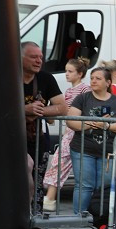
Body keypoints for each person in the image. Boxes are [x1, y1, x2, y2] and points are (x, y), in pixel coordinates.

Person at [66, 67, 116, 214]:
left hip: (108, 152)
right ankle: (80, 221)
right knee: (84, 186)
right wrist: (95, 123)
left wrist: (107, 125)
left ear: (108, 82)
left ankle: (99, 220)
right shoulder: (82, 98)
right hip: (83, 149)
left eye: (98, 78)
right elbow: (71, 121)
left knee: (104, 186)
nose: (93, 81)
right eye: (92, 78)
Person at [42, 57, 91, 212]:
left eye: (70, 71)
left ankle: (50, 198)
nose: (66, 74)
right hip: (70, 130)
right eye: (66, 71)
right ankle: (50, 198)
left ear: (80, 73)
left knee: (61, 161)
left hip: (77, 130)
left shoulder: (84, 89)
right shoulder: (69, 90)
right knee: (60, 162)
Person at [21, 42, 67, 162]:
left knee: (37, 177)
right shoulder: (6, 77)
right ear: (19, 57)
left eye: (41, 57)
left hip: (37, 140)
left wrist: (37, 110)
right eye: (33, 57)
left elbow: (62, 107)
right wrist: (25, 109)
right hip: (10, 140)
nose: (39, 61)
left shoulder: (46, 78)